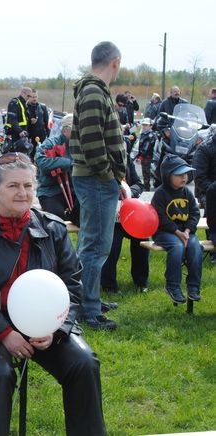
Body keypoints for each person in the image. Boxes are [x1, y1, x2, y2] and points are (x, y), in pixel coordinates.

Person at [0, 153, 105, 436]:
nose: (23, 193)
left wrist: (55, 329)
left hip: (44, 324)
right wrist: (4, 332)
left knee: (83, 363)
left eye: (29, 186)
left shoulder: (52, 227)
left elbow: (72, 283)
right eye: (13, 186)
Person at [69, 41, 126, 330]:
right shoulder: (93, 91)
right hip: (96, 179)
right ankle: (88, 309)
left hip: (99, 180)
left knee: (95, 244)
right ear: (114, 62)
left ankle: (88, 298)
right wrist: (109, 175)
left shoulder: (95, 90)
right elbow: (93, 143)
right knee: (94, 245)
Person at [151, 155, 202, 303]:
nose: (184, 178)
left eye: (185, 174)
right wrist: (177, 232)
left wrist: (186, 231)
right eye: (179, 175)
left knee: (195, 247)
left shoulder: (187, 192)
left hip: (185, 232)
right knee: (177, 246)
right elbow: (160, 217)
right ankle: (172, 286)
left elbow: (195, 213)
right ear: (168, 176)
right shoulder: (160, 193)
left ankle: (193, 287)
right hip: (164, 232)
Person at [101, 157, 149, 295]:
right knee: (113, 244)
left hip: (130, 214)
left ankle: (141, 282)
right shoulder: (103, 164)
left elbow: (139, 184)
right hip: (111, 217)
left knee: (142, 237)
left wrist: (129, 192)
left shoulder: (126, 161)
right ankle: (108, 285)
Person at [34, 114, 77, 222]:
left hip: (74, 191)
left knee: (85, 216)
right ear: (65, 130)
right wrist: (67, 163)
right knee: (56, 220)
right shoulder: (51, 143)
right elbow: (42, 162)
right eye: (76, 130)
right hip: (50, 191)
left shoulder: (79, 146)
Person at [194, 133, 216, 264]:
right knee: (212, 206)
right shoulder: (204, 149)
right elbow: (199, 178)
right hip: (206, 190)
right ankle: (214, 250)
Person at [135, 118, 156, 191]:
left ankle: (147, 187)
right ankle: (146, 186)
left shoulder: (151, 135)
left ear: (150, 126)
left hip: (148, 156)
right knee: (144, 171)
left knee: (146, 171)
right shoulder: (143, 134)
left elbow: (146, 147)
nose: (144, 126)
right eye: (143, 125)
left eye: (146, 125)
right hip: (144, 156)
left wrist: (140, 156)